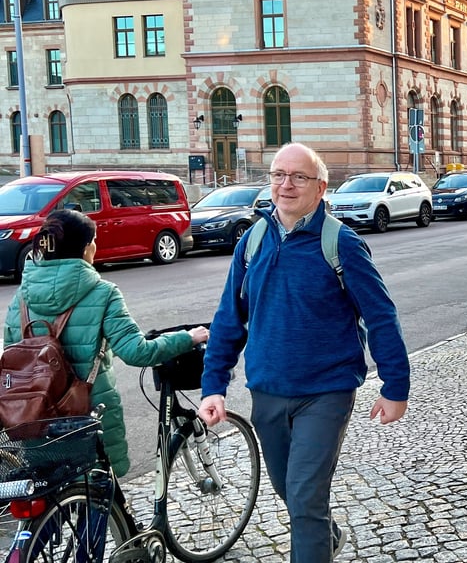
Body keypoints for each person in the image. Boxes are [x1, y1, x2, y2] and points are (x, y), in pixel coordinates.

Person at [199, 142, 411, 563]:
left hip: (326, 392)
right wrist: (213, 385)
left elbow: (380, 315)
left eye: (298, 177)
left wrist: (395, 386)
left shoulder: (341, 243)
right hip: (268, 390)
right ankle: (325, 535)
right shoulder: (253, 241)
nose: (286, 185)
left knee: (303, 492)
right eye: (278, 175)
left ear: (321, 187)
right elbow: (229, 317)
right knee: (290, 490)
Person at [3, 209, 208, 478]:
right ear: (86, 248)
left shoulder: (21, 297)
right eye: (94, 240)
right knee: (98, 495)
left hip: (34, 418)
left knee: (49, 498)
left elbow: (11, 359)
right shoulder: (103, 293)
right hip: (86, 418)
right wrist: (187, 338)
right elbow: (137, 351)